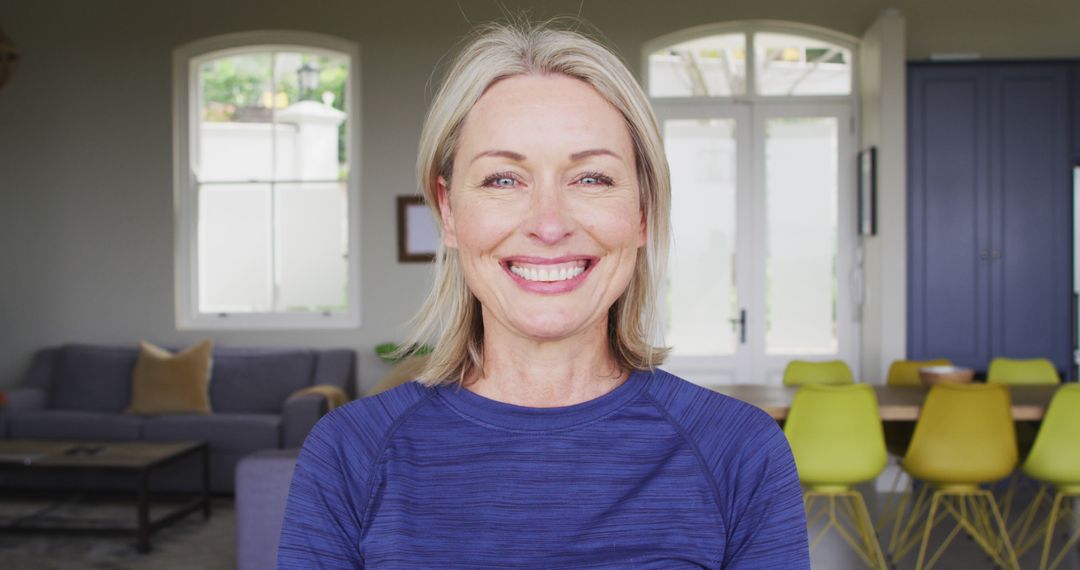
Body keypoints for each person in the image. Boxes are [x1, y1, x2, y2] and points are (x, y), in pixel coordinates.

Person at [278, 19, 809, 569]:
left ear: (644, 211)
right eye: (504, 180)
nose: (549, 224)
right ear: (450, 212)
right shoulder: (348, 452)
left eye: (592, 178)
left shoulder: (740, 451)